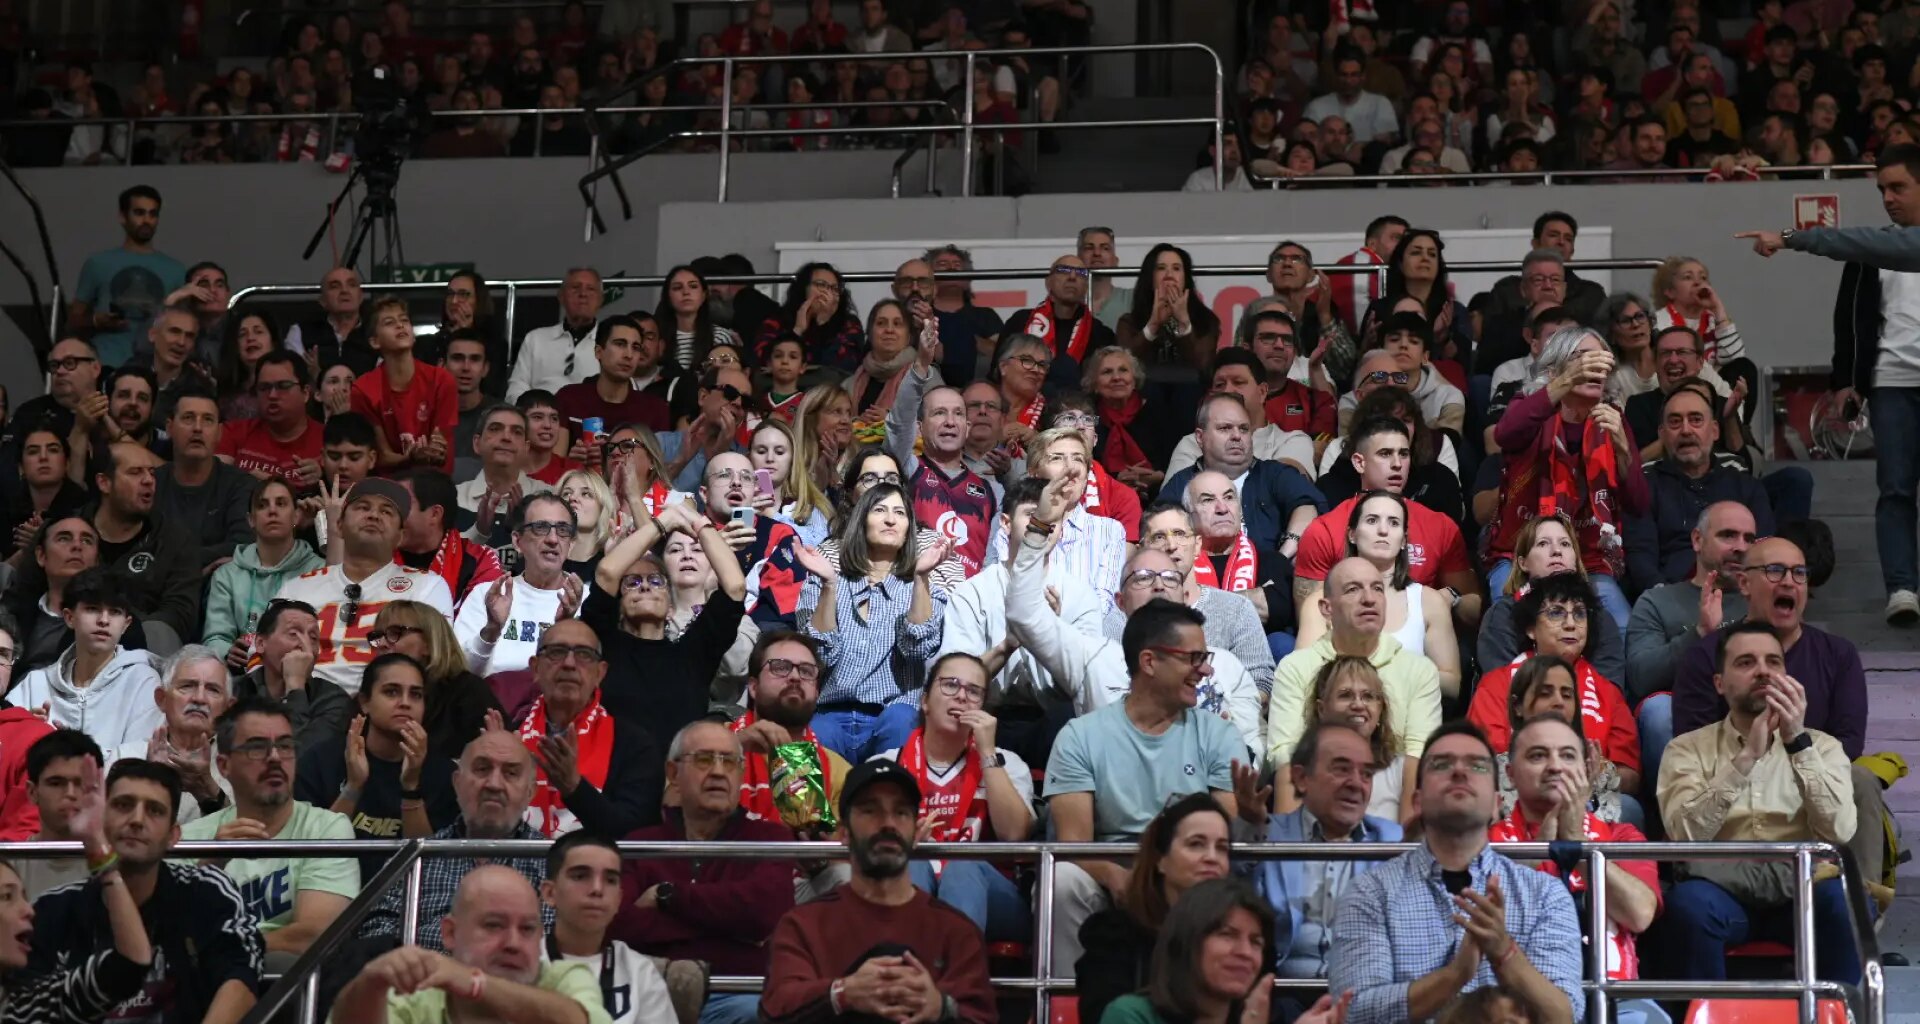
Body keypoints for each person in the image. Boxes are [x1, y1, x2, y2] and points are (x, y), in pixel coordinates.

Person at [1736, 144, 1920, 622]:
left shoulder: (1890, 247)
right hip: (1893, 384)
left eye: (1898, 186)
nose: (1888, 198)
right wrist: (1848, 381)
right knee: (1895, 488)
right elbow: (1850, 322)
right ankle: (1902, 588)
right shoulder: (1873, 250)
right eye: (1882, 189)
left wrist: (1788, 236)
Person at [1326, 722, 1583, 1024]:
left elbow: (1566, 1016)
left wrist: (1505, 953)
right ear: (1417, 802)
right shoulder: (1370, 892)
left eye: (1477, 766)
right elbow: (1353, 1012)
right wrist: (1455, 976)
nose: (1460, 772)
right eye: (1442, 764)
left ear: (1496, 805)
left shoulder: (1544, 894)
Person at [1653, 622, 1864, 986]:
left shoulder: (1823, 747)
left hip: (1800, 891)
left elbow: (1839, 831)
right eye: (1746, 662)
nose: (1763, 671)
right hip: (1721, 893)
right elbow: (1683, 836)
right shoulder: (1685, 748)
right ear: (1719, 683)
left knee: (1843, 899)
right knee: (1689, 905)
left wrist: (1798, 742)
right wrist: (1746, 758)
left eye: (1774, 662)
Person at [1044, 598, 1245, 976]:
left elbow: (1225, 836)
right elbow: (1072, 845)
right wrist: (1118, 877)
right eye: (1194, 658)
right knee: (1062, 880)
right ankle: (1065, 1007)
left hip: (1189, 867)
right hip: (1112, 873)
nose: (1205, 669)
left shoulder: (1219, 735)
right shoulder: (1081, 736)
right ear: (1149, 661)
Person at [759, 759, 996, 1024]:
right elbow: (776, 1008)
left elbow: (981, 1016)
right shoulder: (802, 926)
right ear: (844, 832)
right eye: (870, 811)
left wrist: (941, 1008)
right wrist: (843, 994)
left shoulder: (956, 931)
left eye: (901, 812)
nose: (888, 824)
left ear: (915, 831)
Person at [29, 758, 262, 1023]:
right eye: (123, 805)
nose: (137, 820)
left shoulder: (206, 892)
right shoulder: (53, 910)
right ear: (100, 820)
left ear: (173, 836)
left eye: (154, 810)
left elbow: (241, 975)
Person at [611, 721, 796, 1024]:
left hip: (738, 996)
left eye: (730, 762)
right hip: (651, 991)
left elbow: (764, 914)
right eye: (704, 759)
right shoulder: (639, 843)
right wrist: (732, 927)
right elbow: (619, 926)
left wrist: (667, 895)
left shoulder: (770, 838)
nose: (719, 773)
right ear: (673, 775)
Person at [1488, 326, 1650, 628]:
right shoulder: (1531, 407)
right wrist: (1564, 382)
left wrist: (1624, 452)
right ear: (1554, 369)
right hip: (1520, 556)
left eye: (1599, 360)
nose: (1593, 366)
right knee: (1508, 622)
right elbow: (1505, 433)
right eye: (1581, 358)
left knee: (1624, 629)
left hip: (1586, 560)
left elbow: (1639, 503)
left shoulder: (1612, 417)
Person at [1494, 713, 1661, 1001]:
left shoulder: (1622, 836)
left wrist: (1579, 847)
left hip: (1616, 1002)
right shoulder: (1487, 841)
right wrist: (1542, 848)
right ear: (1510, 774)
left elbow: (1639, 915)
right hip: (1514, 1004)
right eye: (1537, 756)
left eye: (1568, 756)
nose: (1555, 766)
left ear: (1585, 770)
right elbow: (1489, 922)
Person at [181, 697, 357, 963]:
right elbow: (171, 941)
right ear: (224, 766)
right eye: (257, 747)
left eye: (285, 746)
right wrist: (210, 867)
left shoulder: (326, 828)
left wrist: (223, 948)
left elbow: (315, 936)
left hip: (287, 987)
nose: (275, 758)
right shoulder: (191, 838)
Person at [872, 652, 1034, 937]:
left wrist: (986, 753)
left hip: (993, 894)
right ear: (924, 702)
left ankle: (955, 977)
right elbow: (863, 850)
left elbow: (1015, 835)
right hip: (910, 881)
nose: (961, 697)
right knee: (913, 864)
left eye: (974, 691)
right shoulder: (886, 765)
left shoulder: (1006, 762)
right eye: (950, 685)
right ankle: (907, 976)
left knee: (960, 866)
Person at [332, 865, 613, 1024]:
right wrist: (368, 984)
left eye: (527, 929)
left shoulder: (563, 979)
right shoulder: (415, 996)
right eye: (494, 925)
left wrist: (474, 983)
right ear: (450, 933)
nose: (513, 943)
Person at [1237, 721, 1404, 983]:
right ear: (1302, 778)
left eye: (1366, 774)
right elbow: (1233, 895)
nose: (1356, 784)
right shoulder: (1268, 833)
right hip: (1281, 997)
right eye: (1342, 769)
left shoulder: (1393, 841)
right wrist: (1249, 830)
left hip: (1364, 998)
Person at [1468, 575, 1642, 824]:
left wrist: (1595, 774)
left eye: (1580, 614)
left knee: (1629, 808)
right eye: (1557, 613)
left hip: (1590, 799)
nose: (1571, 624)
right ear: (1531, 629)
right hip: (1515, 799)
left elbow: (1631, 776)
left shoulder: (1608, 692)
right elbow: (1484, 763)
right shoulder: (1497, 684)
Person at [1269, 557, 1441, 809]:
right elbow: (1285, 757)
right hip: (1315, 807)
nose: (1369, 598)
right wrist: (1293, 843)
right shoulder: (1296, 668)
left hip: (1393, 807)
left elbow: (1418, 758)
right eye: (1353, 589)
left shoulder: (1419, 670)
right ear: (1326, 608)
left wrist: (1405, 845)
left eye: (1377, 588)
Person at [362, 729, 555, 952]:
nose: (494, 784)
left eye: (511, 773)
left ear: (530, 792)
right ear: (457, 782)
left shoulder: (553, 864)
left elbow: (563, 946)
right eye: (482, 769)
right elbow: (374, 933)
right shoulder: (416, 858)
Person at [794, 483, 946, 763]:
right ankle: (803, 810)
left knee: (902, 720)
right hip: (830, 715)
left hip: (892, 717)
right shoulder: (822, 581)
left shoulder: (927, 591)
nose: (891, 519)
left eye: (900, 513)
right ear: (861, 521)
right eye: (880, 510)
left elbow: (916, 649)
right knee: (809, 736)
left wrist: (921, 577)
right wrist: (829, 585)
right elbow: (819, 658)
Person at [587, 499, 745, 754]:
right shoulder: (604, 646)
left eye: (656, 581)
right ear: (619, 603)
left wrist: (699, 522)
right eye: (633, 582)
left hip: (678, 784)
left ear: (671, 607)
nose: (646, 586)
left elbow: (735, 586)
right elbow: (606, 573)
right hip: (613, 781)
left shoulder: (693, 655)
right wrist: (663, 522)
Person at [271, 478, 455, 695]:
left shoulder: (427, 586)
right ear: (338, 525)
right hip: (303, 706)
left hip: (384, 710)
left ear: (401, 536)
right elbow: (260, 656)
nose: (374, 515)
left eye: (387, 512)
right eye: (363, 507)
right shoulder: (296, 588)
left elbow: (439, 661)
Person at [1074, 794, 1233, 1024]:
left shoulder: (1245, 940)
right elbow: (1103, 1016)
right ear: (1160, 859)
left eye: (1222, 848)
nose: (1212, 857)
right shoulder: (1113, 936)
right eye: (1196, 844)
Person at [1296, 491, 1461, 696]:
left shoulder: (1429, 601)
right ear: (1352, 535)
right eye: (1372, 520)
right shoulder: (1321, 602)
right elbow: (1303, 676)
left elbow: (1452, 683)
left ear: (1403, 540)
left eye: (1393, 523)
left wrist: (1385, 676)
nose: (1383, 530)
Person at [295, 652, 442, 880]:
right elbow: (308, 856)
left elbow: (431, 870)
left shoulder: (442, 772)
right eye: (391, 692)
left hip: (408, 899)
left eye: (416, 695)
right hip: (329, 892)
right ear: (365, 702)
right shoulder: (321, 760)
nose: (405, 702)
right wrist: (353, 787)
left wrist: (411, 787)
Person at [514, 619, 663, 838]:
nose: (569, 664)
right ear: (535, 668)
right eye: (557, 652)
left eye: (584, 654)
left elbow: (636, 836)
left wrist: (575, 788)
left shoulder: (635, 745)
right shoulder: (511, 736)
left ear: (600, 673)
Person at [1627, 502, 1754, 745]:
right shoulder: (1658, 600)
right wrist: (1700, 633)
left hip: (1748, 713)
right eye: (1728, 535)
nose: (1740, 547)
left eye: (1749, 539)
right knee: (1658, 710)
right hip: (1684, 717)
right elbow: (1641, 678)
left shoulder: (1760, 601)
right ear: (1697, 540)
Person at [1625, 385, 1775, 589]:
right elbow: (1641, 559)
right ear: (1662, 434)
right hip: (1672, 598)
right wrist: (1667, 604)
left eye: (1696, 420)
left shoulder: (1746, 487)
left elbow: (1764, 552)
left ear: (1714, 430)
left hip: (1738, 596)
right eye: (1675, 422)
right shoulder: (1645, 487)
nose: (1686, 430)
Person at [11, 568, 163, 753]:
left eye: (114, 612)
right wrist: (26, 735)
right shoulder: (35, 684)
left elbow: (141, 756)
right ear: (69, 617)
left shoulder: (143, 682)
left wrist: (76, 752)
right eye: (92, 609)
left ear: (126, 624)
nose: (104, 620)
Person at [1158, 395, 1325, 559]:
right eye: (1225, 428)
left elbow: (1309, 506)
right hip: (1200, 578)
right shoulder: (1181, 484)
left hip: (1268, 581)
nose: (1237, 436)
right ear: (1200, 437)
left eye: (1244, 429)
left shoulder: (1275, 474)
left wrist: (1282, 558)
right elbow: (1158, 536)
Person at [538, 830, 678, 1024]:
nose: (597, 889)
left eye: (610, 880)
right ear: (550, 893)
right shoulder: (520, 963)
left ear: (619, 899)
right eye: (580, 876)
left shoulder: (640, 972)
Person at [883, 349, 1000, 579]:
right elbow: (898, 425)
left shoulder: (992, 491)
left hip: (970, 603)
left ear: (967, 428)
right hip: (916, 596)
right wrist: (920, 368)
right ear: (919, 428)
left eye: (958, 414)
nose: (949, 422)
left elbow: (994, 559)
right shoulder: (905, 470)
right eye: (939, 413)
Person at [1135, 504, 1276, 686]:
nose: (1171, 545)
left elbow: (1260, 679)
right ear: (1141, 550)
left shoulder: (1237, 609)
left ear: (1197, 545)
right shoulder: (1124, 613)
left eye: (1180, 534)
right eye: (1159, 537)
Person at [1477, 516, 1627, 687]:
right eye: (1543, 543)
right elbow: (1500, 689)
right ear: (1523, 562)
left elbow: (1611, 693)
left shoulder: (1599, 617)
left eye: (1565, 544)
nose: (1556, 550)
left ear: (1576, 562)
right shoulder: (1504, 615)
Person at [85, 442, 200, 651]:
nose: (148, 481)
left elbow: (179, 614)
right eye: (135, 473)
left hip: (142, 651)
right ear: (104, 483)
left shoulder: (175, 541)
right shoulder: (69, 532)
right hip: (71, 642)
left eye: (152, 473)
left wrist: (120, 626)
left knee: (158, 631)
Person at [455, 493, 585, 677]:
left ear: (571, 544)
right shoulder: (487, 595)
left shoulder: (586, 602)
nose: (553, 539)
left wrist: (566, 625)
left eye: (562, 530)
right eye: (541, 527)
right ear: (517, 541)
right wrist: (491, 630)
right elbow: (459, 673)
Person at [203, 477, 325, 660]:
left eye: (281, 503)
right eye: (262, 505)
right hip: (243, 674)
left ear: (296, 517)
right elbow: (215, 636)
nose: (272, 511)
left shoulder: (320, 570)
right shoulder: (226, 575)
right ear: (251, 520)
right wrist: (226, 652)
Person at [69, 185, 185, 369]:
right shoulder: (98, 263)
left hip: (155, 368)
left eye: (153, 214)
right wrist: (96, 321)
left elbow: (184, 326)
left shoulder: (176, 270)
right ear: (123, 217)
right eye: (139, 213)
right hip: (105, 364)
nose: (147, 220)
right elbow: (73, 319)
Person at [1181, 470, 1299, 642]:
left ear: (1240, 510)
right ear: (1188, 516)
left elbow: (1278, 609)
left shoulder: (1272, 561)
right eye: (1207, 500)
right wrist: (1250, 597)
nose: (1222, 508)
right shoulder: (1178, 564)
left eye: (1229, 498)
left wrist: (1196, 605)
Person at [351, 296, 459, 476]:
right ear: (375, 341)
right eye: (389, 322)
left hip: (434, 483)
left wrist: (433, 451)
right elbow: (379, 457)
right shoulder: (363, 390)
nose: (400, 325)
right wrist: (411, 458)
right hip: (387, 489)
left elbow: (442, 450)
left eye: (404, 320)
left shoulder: (441, 379)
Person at [1168, 351, 1316, 478]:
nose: (1227, 391)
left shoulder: (1293, 441)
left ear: (1262, 392)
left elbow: (1290, 488)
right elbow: (1173, 501)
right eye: (1220, 385)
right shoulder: (1192, 443)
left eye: (1238, 382)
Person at [1002, 256, 1116, 392]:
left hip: (1079, 407)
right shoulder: (1021, 321)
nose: (1072, 277)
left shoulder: (1101, 333)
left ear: (1086, 287)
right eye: (1064, 270)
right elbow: (997, 374)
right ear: (1048, 282)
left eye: (1081, 273)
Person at [554, 316, 675, 443]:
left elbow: (657, 462)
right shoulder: (568, 398)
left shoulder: (656, 410)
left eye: (635, 347)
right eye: (620, 344)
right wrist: (572, 462)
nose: (629, 355)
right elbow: (554, 460)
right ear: (598, 352)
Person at [398, 469, 506, 610]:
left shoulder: (480, 561)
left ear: (435, 514)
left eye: (400, 504)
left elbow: (479, 624)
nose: (389, 515)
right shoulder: (372, 553)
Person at [1115, 243, 1224, 380]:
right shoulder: (1129, 322)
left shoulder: (1205, 320)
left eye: (1176, 268)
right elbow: (1123, 366)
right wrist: (1152, 326)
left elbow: (1203, 366)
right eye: (1161, 268)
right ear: (1150, 277)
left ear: (1185, 278)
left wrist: (1184, 324)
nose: (1169, 275)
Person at [16, 729, 103, 899]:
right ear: (32, 792)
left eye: (81, 783)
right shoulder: (10, 867)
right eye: (56, 783)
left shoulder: (124, 864)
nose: (70, 793)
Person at [1484, 213, 1610, 326]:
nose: (1561, 242)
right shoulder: (1507, 290)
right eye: (1553, 235)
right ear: (1535, 244)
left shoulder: (1591, 294)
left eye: (1568, 239)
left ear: (1572, 250)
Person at [508, 267, 605, 403]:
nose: (583, 294)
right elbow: (516, 388)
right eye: (575, 287)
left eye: (590, 289)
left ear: (601, 299)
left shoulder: (610, 342)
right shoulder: (536, 339)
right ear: (561, 296)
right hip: (541, 418)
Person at [752, 263, 864, 372]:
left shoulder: (849, 324)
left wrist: (823, 325)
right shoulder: (777, 321)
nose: (827, 293)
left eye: (834, 288)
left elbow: (845, 367)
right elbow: (764, 362)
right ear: (804, 288)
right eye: (821, 285)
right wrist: (797, 331)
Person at [457, 405, 551, 529]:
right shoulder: (455, 497)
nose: (506, 437)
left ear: (526, 448)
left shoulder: (549, 499)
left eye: (517, 432)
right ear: (477, 443)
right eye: (495, 429)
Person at [285, 265, 376, 376]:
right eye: (335, 287)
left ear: (361, 296)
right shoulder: (300, 332)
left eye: (351, 285)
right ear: (322, 300)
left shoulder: (377, 333)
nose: (344, 291)